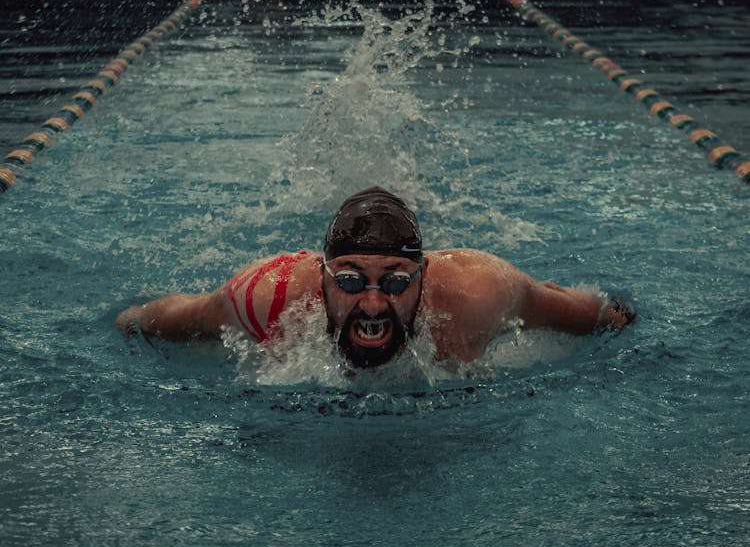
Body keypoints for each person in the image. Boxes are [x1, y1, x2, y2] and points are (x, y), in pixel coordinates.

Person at [115, 186, 635, 368]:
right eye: (349, 279)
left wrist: (621, 321)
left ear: (424, 276)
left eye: (394, 281)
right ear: (320, 277)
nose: (370, 303)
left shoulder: (476, 294)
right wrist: (128, 320)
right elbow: (172, 316)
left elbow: (587, 313)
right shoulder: (269, 297)